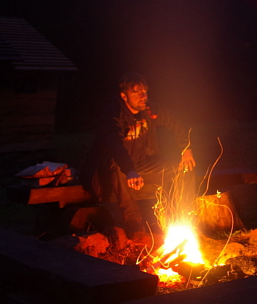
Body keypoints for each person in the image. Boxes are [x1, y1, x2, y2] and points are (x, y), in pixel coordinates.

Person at [78, 72, 196, 238]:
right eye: (136, 92)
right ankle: (134, 223)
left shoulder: (149, 111)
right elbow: (114, 145)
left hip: (140, 167)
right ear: (124, 96)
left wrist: (186, 149)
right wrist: (130, 170)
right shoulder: (112, 115)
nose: (143, 96)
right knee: (116, 163)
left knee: (184, 168)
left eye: (145, 91)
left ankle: (184, 215)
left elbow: (176, 120)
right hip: (107, 174)